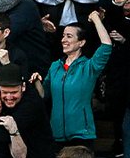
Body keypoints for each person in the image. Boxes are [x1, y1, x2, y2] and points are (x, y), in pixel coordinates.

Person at [40, 10, 112, 144]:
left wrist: (96, 19)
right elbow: (43, 94)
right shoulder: (55, 66)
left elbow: (106, 46)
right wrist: (36, 82)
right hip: (56, 134)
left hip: (81, 134)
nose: (63, 40)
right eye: (63, 36)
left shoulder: (89, 67)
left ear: (81, 43)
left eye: (69, 36)